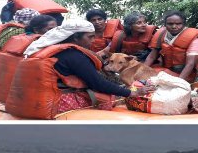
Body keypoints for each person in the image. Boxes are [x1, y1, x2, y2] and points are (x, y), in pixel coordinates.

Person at [22, 19, 155, 114]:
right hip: (56, 100)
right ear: (75, 37)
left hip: (36, 97)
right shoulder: (73, 55)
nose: (93, 41)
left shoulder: (53, 48)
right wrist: (133, 93)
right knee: (113, 99)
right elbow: (98, 84)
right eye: (90, 37)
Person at [146, 11, 198, 81]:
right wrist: (141, 70)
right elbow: (151, 57)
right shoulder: (161, 35)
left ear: (184, 24)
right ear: (165, 24)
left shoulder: (194, 40)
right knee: (146, 74)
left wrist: (178, 82)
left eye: (178, 24)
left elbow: (190, 64)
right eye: (170, 24)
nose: (174, 26)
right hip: (167, 70)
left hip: (185, 74)